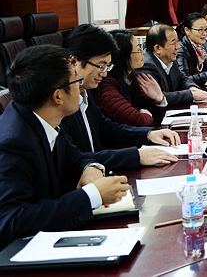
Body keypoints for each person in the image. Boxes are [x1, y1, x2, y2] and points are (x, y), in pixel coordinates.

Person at [0, 45, 131, 249]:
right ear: (58, 96)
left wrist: (91, 169)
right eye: (77, 81)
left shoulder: (42, 118)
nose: (81, 87)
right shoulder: (12, 143)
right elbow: (11, 221)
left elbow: (77, 158)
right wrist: (91, 196)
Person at [61, 24, 179, 170]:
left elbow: (106, 127)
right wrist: (136, 156)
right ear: (74, 62)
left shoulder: (85, 91)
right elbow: (76, 159)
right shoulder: (62, 104)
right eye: (101, 66)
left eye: (107, 66)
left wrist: (148, 134)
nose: (104, 73)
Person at [135, 23, 207, 113]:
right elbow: (159, 96)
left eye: (178, 41)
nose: (178, 47)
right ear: (158, 48)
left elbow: (182, 78)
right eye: (173, 43)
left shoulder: (169, 58)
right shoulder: (146, 66)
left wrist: (192, 88)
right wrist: (191, 94)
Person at [95, 29, 167, 126]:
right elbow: (139, 121)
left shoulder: (132, 79)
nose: (142, 52)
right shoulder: (106, 87)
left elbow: (156, 120)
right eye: (138, 49)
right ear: (123, 55)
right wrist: (145, 115)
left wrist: (159, 100)